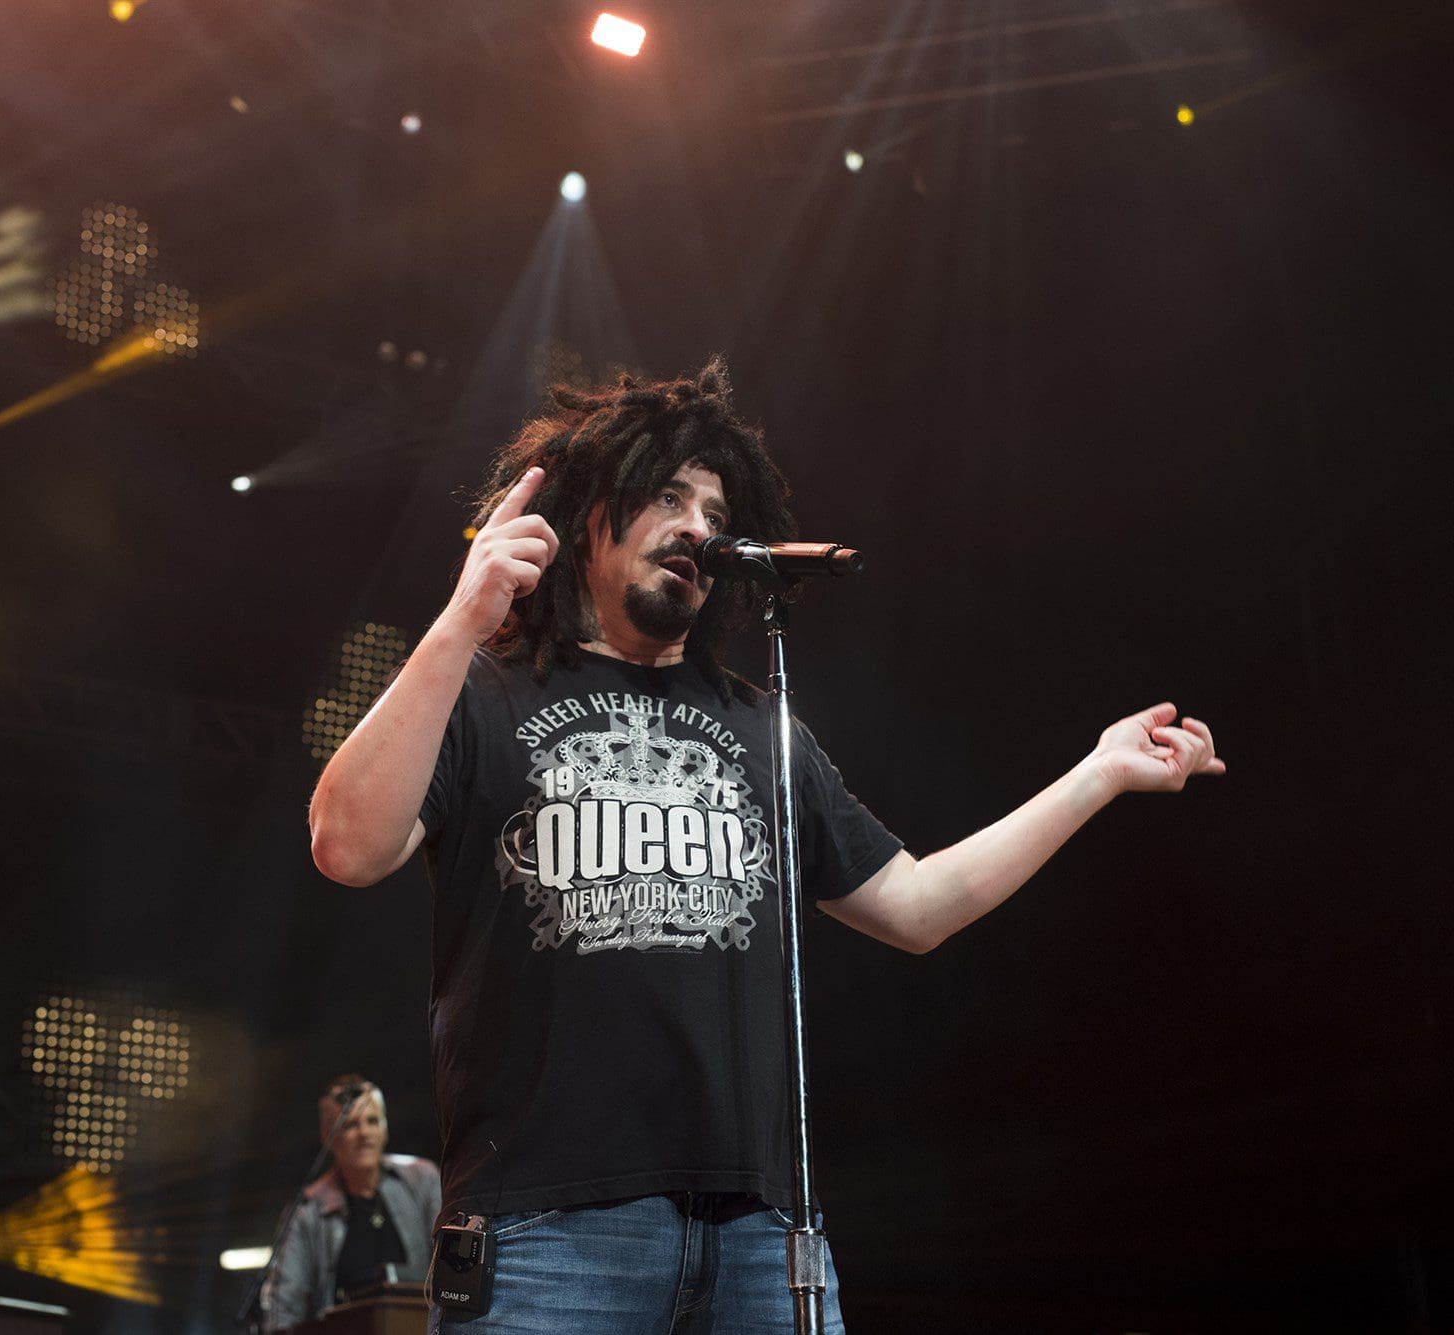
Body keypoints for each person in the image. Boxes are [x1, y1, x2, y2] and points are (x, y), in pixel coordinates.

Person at [306, 359, 1226, 1333]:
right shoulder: (483, 695)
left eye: (714, 509)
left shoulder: (760, 726)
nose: (697, 526)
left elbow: (915, 906)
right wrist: (462, 619)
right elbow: (345, 844)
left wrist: (1098, 773)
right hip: (547, 1237)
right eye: (668, 495)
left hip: (760, 1241)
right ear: (588, 514)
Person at [261, 1074, 443, 1331]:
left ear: (385, 1128)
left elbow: (447, 1276)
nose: (364, 1133)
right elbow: (283, 1306)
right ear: (328, 1136)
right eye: (350, 1124)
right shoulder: (307, 1209)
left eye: (372, 1121)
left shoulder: (423, 1180)